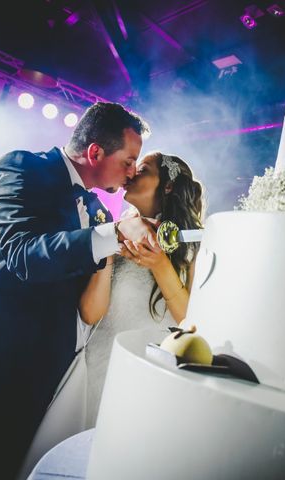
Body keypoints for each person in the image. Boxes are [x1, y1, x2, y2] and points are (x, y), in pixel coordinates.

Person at [0, 102, 158, 480]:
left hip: (45, 377)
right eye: (127, 160)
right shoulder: (21, 168)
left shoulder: (96, 209)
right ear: (95, 152)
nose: (130, 173)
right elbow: (25, 255)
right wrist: (113, 234)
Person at [81, 151, 205, 428]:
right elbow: (90, 313)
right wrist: (110, 246)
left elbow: (190, 319)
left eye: (144, 169)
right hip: (96, 366)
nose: (132, 172)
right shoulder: (113, 233)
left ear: (168, 185)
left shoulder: (195, 245)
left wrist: (160, 264)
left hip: (146, 372)